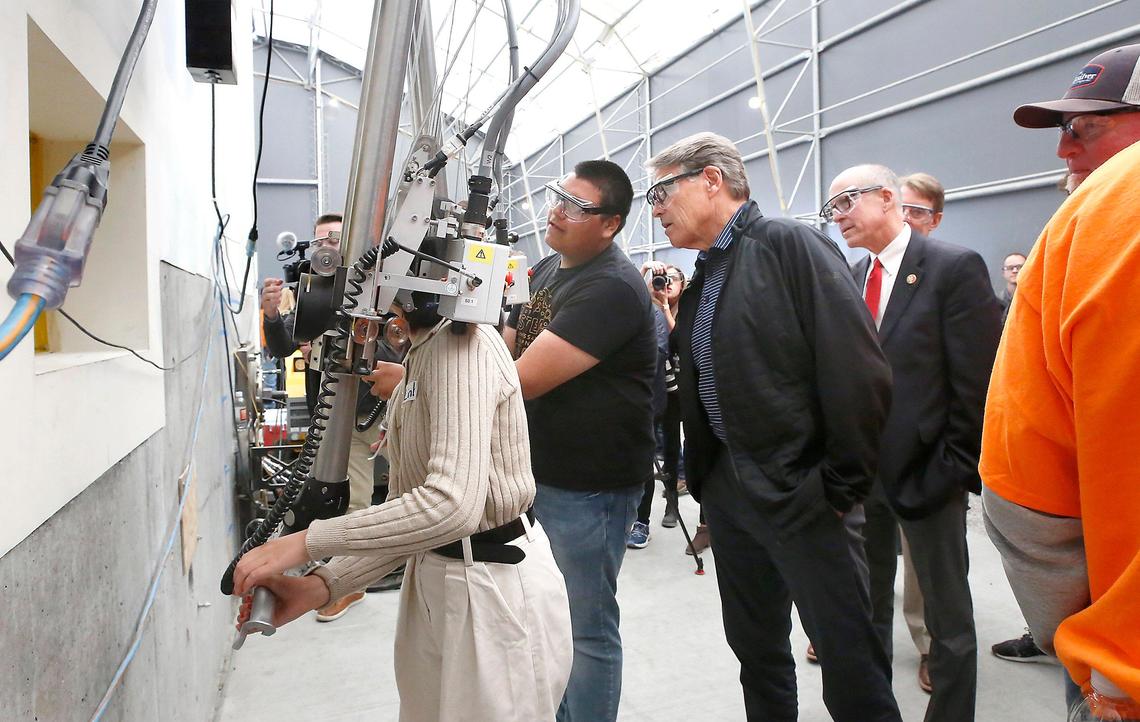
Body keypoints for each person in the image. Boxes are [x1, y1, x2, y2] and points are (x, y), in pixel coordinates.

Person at [648, 132, 900, 722]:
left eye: (661, 190)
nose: (654, 208)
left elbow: (858, 372)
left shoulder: (787, 245)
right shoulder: (707, 270)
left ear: (712, 179)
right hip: (733, 497)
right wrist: (711, 484)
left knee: (848, 660)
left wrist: (836, 489)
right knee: (756, 652)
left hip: (804, 495)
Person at [232, 304, 574, 722]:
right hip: (435, 577)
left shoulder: (464, 345)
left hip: (490, 584)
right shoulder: (421, 349)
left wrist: (306, 542)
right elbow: (409, 515)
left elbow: (451, 506)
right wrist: (322, 585)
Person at [983, 43, 1140, 718]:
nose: (1063, 150)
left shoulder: (1102, 217)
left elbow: (1027, 496)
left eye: (1084, 127)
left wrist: (1086, 648)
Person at [825, 164, 1002, 722]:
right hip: (863, 480)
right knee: (868, 610)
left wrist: (954, 466)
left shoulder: (951, 267)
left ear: (886, 197)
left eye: (846, 201)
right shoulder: (852, 276)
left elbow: (977, 381)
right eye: (832, 208)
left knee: (948, 621)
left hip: (929, 474)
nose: (839, 216)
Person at [503, 159, 656, 722]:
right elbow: (508, 345)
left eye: (576, 205)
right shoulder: (548, 267)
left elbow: (520, 377)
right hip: (544, 471)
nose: (556, 211)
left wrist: (419, 379)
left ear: (610, 224)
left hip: (590, 484)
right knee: (549, 617)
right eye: (555, 196)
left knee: (585, 626)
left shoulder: (611, 286)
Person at [260, 212, 395, 620]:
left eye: (335, 238)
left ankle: (349, 583)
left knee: (356, 499)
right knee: (332, 494)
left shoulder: (377, 287)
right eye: (320, 240)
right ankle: (339, 576)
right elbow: (284, 345)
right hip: (326, 409)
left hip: (360, 410)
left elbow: (396, 347)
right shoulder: (313, 292)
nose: (326, 246)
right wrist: (270, 314)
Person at [627, 262, 684, 549]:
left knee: (673, 450)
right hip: (653, 389)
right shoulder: (643, 306)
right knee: (648, 453)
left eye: (672, 278)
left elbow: (680, 341)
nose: (665, 283)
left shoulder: (685, 308)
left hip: (679, 391)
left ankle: (672, 501)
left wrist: (664, 307)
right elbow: (623, 304)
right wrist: (643, 271)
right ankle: (642, 519)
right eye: (661, 278)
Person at [997, 252, 1026, 324]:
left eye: (1020, 267)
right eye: (1010, 268)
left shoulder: (1035, 301)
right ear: (1003, 273)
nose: (1015, 271)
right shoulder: (996, 303)